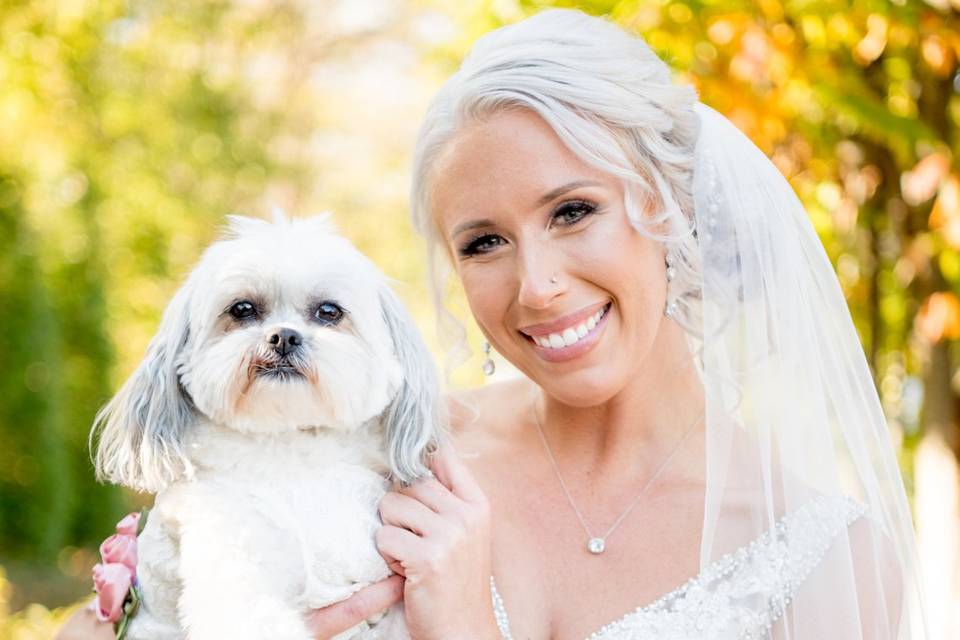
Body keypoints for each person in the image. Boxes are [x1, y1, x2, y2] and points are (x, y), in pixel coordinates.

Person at [58, 8, 927, 640]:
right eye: (483, 242)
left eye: (574, 211)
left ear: (671, 206)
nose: (538, 286)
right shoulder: (382, 445)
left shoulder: (832, 562)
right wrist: (129, 610)